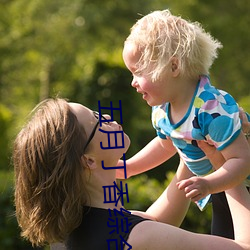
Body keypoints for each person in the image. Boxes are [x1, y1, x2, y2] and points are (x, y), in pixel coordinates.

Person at [13, 98, 250, 250]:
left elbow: (157, 222)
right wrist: (226, 166)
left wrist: (189, 140)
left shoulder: (69, 234)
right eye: (98, 120)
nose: (108, 117)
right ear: (88, 160)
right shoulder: (138, 237)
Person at [121, 9, 250, 239]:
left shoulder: (211, 109)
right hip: (220, 189)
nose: (133, 82)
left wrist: (209, 184)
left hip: (240, 185)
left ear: (173, 67)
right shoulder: (162, 110)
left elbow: (242, 160)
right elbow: (165, 145)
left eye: (138, 72)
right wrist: (130, 167)